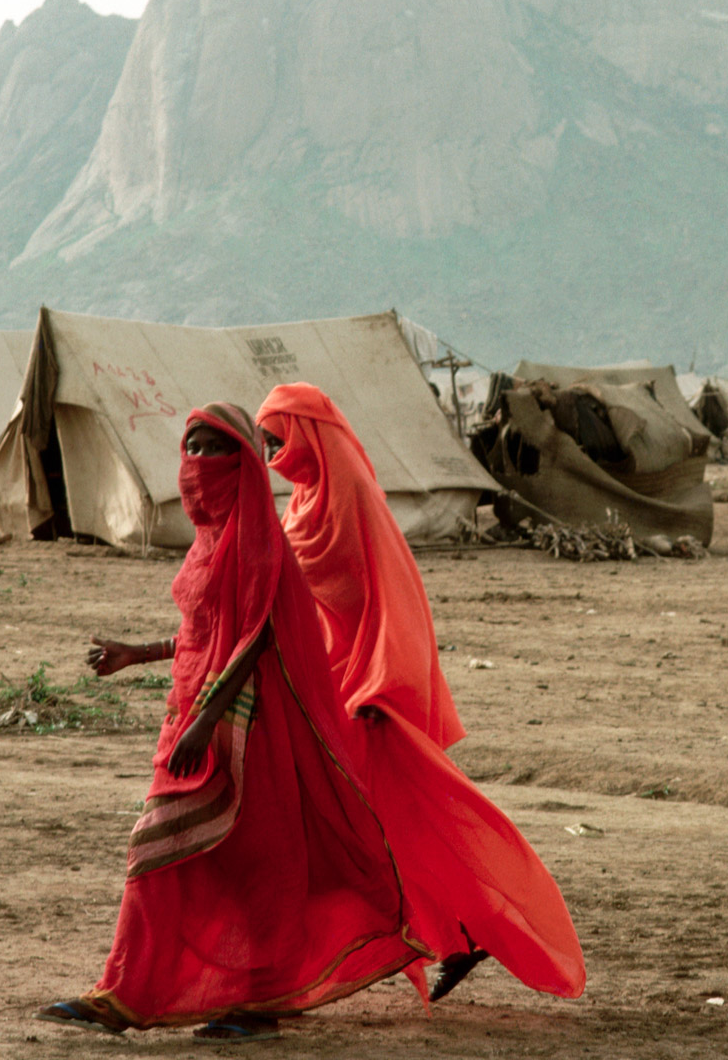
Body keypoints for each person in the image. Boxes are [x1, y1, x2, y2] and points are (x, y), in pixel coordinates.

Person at [36, 404, 427, 1041]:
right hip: (189, 715)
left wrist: (206, 722)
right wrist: (140, 654)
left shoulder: (259, 544)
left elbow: (257, 637)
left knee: (233, 859)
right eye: (188, 447)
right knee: (190, 855)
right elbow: (204, 632)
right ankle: (129, 990)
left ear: (241, 462)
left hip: (249, 731)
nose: (194, 465)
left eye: (210, 449)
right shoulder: (210, 542)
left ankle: (238, 998)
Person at [255, 383, 586, 1005]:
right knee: (365, 822)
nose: (272, 450)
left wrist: (385, 683)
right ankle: (451, 937)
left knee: (393, 814)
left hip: (370, 687)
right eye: (267, 441)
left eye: (277, 438)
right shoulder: (304, 499)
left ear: (306, 433)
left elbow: (392, 590)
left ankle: (479, 922)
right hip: (332, 673)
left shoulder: (349, 491)